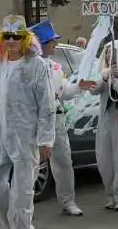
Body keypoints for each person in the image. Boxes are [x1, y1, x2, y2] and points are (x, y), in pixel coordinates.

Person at [0, 16, 54, 229]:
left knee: (22, 189)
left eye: (16, 36)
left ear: (25, 39)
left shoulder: (37, 66)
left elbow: (47, 104)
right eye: (7, 36)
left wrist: (45, 138)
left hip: (25, 135)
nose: (11, 41)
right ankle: (14, 226)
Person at [30, 20, 82, 216]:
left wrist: (78, 87)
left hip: (56, 121)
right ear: (41, 43)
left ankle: (68, 200)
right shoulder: (28, 68)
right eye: (52, 41)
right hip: (35, 122)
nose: (55, 45)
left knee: (63, 162)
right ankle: (25, 208)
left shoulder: (55, 67)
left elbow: (63, 92)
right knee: (31, 164)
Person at [80, 25, 118, 213]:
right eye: (108, 54)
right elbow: (94, 90)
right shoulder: (104, 75)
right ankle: (110, 194)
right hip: (106, 123)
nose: (110, 58)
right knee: (105, 160)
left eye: (114, 54)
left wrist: (117, 81)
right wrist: (104, 78)